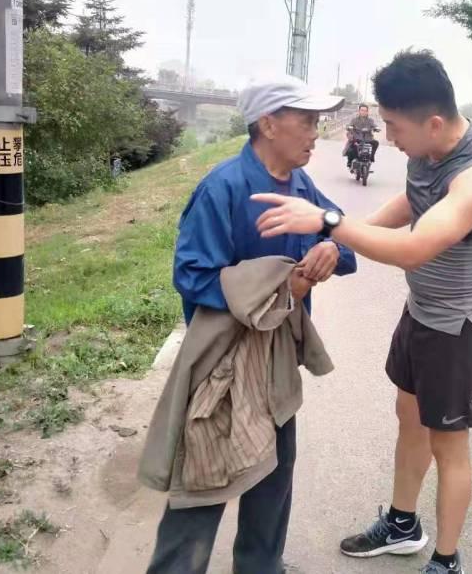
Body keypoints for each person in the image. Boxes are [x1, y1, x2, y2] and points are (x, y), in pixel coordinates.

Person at [251, 50, 472, 574]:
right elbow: (407, 208)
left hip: (458, 331)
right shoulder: (429, 151)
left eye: (394, 126)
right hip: (421, 314)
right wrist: (344, 236)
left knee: (450, 445)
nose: (389, 137)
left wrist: (328, 222)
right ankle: (402, 524)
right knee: (410, 420)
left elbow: (416, 246)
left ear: (434, 122)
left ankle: (446, 560)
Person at [146, 75, 357, 574]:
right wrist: (280, 288)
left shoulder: (301, 187)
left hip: (277, 358)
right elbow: (192, 275)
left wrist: (330, 246)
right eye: (305, 121)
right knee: (204, 480)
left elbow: (342, 239)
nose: (315, 132)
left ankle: (262, 566)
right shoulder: (223, 187)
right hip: (223, 364)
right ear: (267, 123)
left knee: (274, 475)